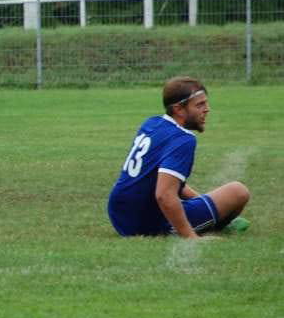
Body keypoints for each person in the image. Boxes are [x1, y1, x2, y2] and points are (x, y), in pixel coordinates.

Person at [107, 77, 251, 238]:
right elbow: (164, 195)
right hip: (145, 222)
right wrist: (191, 237)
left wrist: (203, 201)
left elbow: (168, 184)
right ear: (179, 109)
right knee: (238, 192)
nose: (207, 109)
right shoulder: (183, 139)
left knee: (198, 198)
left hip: (119, 215)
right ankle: (214, 225)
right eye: (200, 105)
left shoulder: (152, 123)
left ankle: (215, 218)